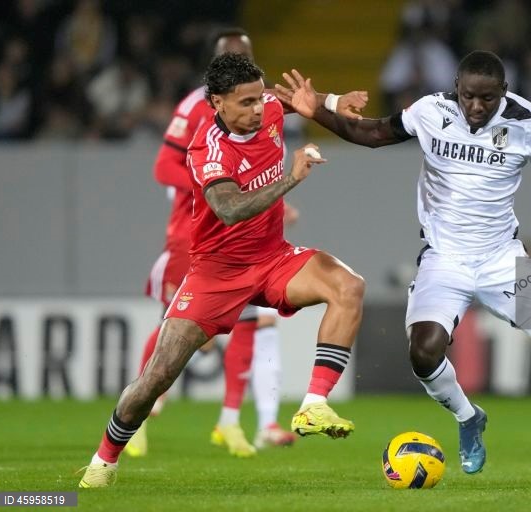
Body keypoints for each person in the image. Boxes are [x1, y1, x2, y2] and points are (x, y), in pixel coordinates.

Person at [277, 50, 531, 483]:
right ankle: (469, 419)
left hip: (504, 258)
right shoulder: (431, 110)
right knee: (424, 352)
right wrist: (317, 110)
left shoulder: (530, 123)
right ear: (457, 90)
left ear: (503, 92)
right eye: (468, 97)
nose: (476, 107)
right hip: (442, 259)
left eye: (487, 99)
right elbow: (373, 133)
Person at [78, 53, 366, 488]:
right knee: (156, 377)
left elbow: (294, 99)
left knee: (348, 286)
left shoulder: (266, 105)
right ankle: (104, 461)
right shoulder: (207, 149)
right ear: (217, 103)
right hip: (216, 273)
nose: (258, 109)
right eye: (245, 103)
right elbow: (230, 210)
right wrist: (291, 179)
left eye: (258, 99)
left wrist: (334, 99)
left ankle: (313, 403)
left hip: (272, 258)